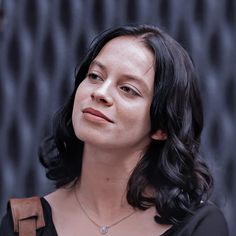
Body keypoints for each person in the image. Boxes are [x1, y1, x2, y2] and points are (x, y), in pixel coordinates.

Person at [0, 24, 229, 236]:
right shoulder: (25, 223)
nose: (100, 92)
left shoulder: (198, 225)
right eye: (95, 76)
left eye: (128, 89)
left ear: (161, 127)